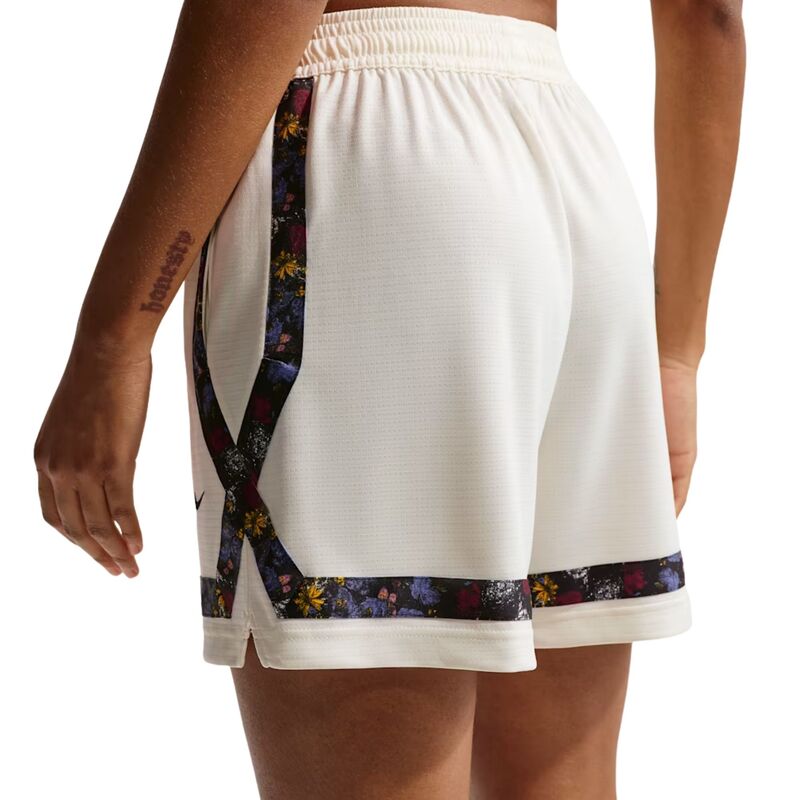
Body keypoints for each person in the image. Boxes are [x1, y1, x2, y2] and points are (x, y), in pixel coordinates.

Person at [32, 1, 745, 797]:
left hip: (370, 169)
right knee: (558, 780)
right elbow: (708, 15)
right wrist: (676, 353)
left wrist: (113, 337)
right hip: (573, 177)